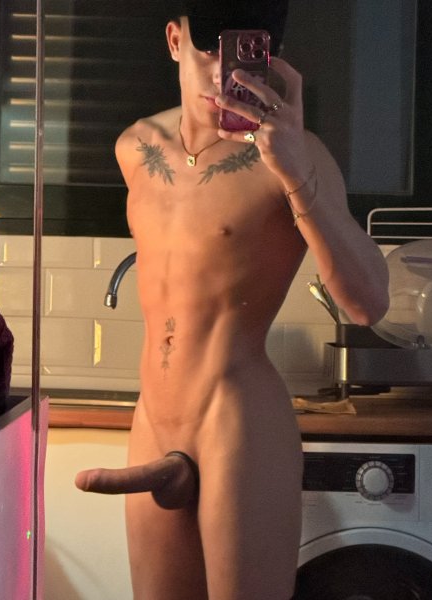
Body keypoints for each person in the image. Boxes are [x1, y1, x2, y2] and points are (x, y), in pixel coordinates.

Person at [75, 2, 389, 598]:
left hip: (237, 422)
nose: (224, 70)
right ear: (175, 40)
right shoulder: (135, 147)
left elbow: (368, 303)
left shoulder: (292, 155)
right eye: (208, 48)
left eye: (242, 49)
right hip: (153, 419)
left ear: (267, 55)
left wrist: (294, 172)